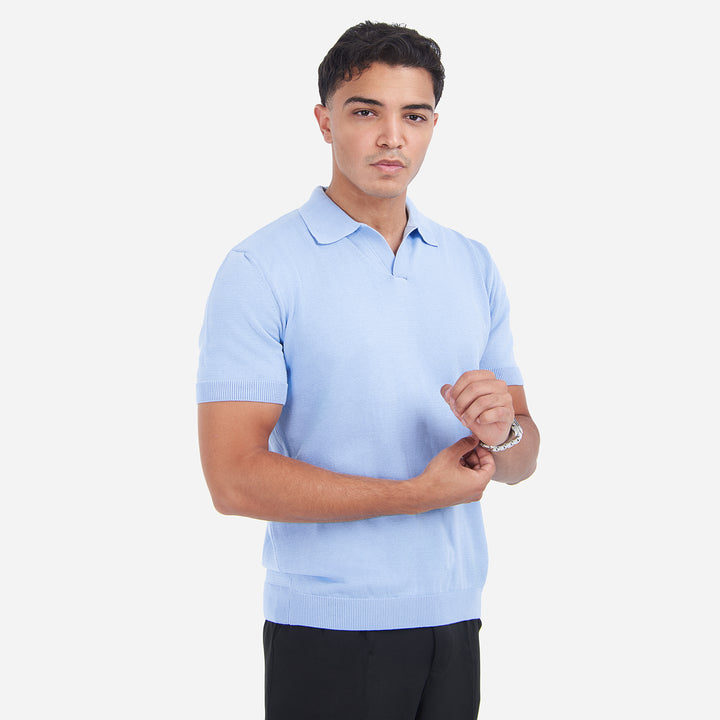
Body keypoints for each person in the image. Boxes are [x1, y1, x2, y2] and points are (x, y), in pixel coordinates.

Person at [197, 20, 540, 720]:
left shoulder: (470, 263)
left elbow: (522, 454)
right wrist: (415, 495)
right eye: (365, 112)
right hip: (327, 628)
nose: (392, 137)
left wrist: (501, 433)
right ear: (324, 122)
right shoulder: (261, 268)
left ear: (433, 126)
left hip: (455, 617)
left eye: (413, 115)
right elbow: (231, 479)